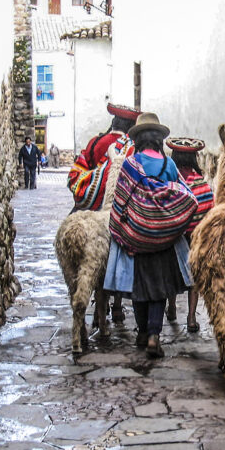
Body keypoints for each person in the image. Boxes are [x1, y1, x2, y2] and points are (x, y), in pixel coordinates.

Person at [104, 113, 192, 358]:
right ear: (158, 140)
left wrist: (122, 228)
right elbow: (182, 195)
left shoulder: (130, 164)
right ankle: (154, 335)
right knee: (160, 288)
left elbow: (120, 200)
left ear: (139, 140)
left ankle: (142, 332)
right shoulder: (169, 165)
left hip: (137, 237)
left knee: (140, 286)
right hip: (164, 240)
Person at [76, 103, 142, 323]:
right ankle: (116, 305)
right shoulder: (131, 148)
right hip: (116, 210)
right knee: (117, 255)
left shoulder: (96, 142)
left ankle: (97, 308)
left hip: (92, 210)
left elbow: (81, 169)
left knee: (93, 258)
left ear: (113, 122)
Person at [164, 138, 214, 333]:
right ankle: (191, 317)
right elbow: (209, 212)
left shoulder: (170, 182)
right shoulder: (202, 184)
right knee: (194, 277)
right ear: (194, 158)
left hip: (173, 238)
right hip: (195, 239)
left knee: (171, 273)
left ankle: (171, 307)